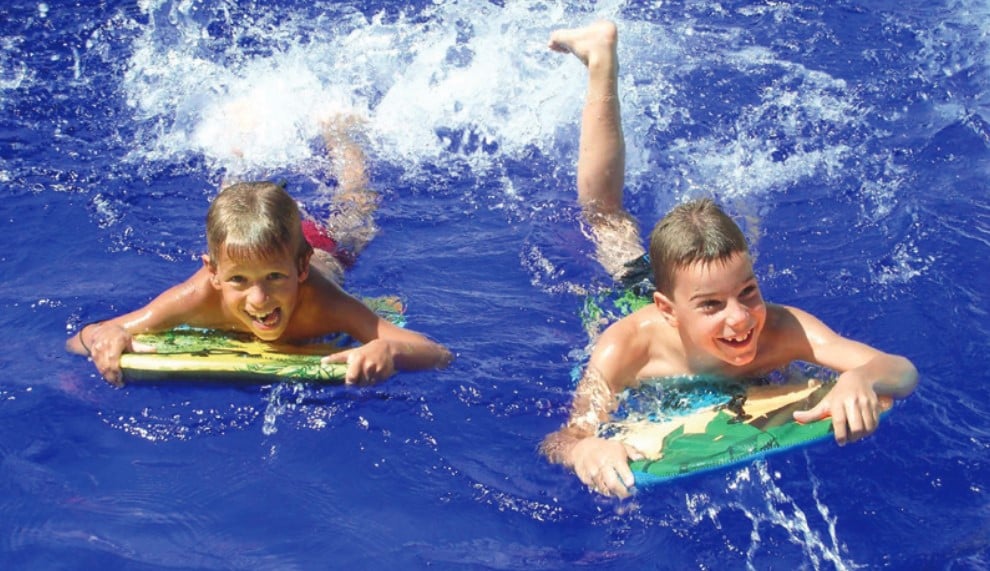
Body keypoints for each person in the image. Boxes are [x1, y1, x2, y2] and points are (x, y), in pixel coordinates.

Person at [539, 21, 918, 498]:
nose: (741, 319)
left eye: (748, 293)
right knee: (604, 220)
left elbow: (901, 370)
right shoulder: (626, 350)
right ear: (668, 309)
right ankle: (599, 58)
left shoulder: (783, 330)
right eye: (712, 306)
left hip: (690, 283)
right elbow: (564, 438)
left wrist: (860, 378)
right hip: (630, 298)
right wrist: (585, 451)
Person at [66, 117, 452, 386]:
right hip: (250, 240)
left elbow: (437, 353)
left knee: (354, 209)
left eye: (274, 278)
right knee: (233, 206)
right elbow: (81, 338)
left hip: (323, 245)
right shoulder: (199, 295)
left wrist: (388, 350)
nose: (259, 298)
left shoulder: (322, 303)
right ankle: (240, 137)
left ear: (300, 269)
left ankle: (342, 135)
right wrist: (107, 338)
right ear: (213, 273)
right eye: (238, 280)